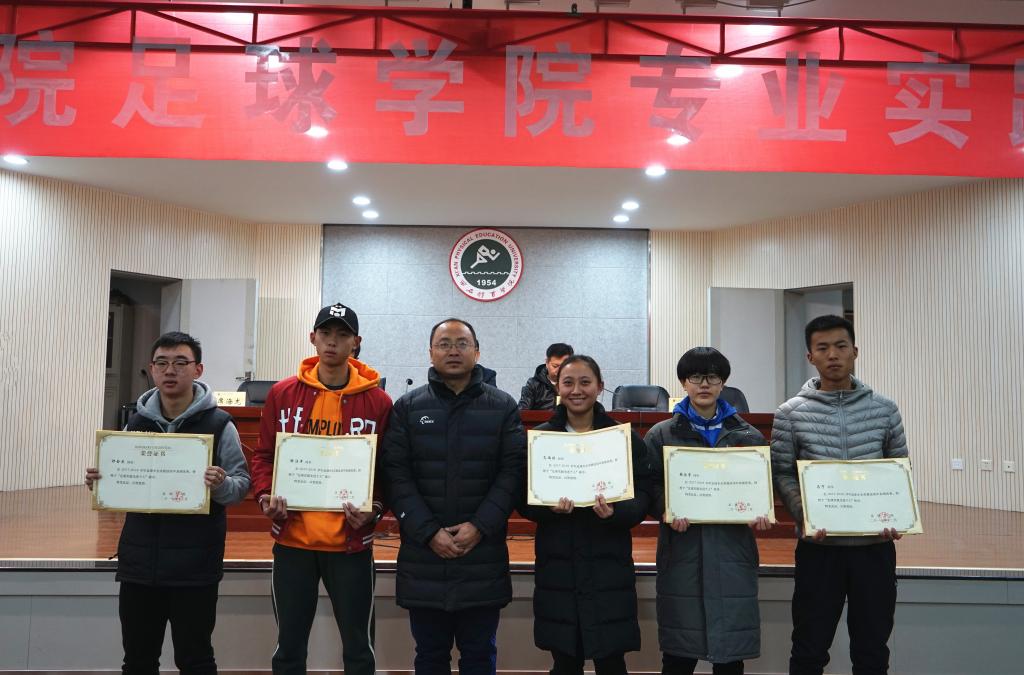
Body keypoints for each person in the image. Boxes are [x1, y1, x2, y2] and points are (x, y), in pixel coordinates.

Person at [85, 331, 251, 675]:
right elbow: (122, 484)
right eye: (161, 363)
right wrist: (103, 483)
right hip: (139, 565)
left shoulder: (220, 425)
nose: (170, 370)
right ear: (152, 369)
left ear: (198, 369)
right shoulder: (135, 423)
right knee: (138, 660)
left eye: (180, 363)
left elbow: (240, 487)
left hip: (195, 567)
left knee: (196, 660)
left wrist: (220, 485)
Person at [250, 303, 393, 675]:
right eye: (326, 333)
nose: (333, 342)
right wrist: (265, 496)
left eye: (342, 335)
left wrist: (375, 509)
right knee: (288, 649)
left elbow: (387, 469)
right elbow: (264, 455)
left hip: (350, 544)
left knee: (359, 650)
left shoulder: (378, 402)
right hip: (293, 541)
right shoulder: (283, 393)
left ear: (356, 342)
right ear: (312, 337)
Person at [382, 318, 526, 675]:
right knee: (429, 656)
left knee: (479, 655)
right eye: (444, 344)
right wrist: (429, 532)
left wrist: (480, 526)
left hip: (482, 556)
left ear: (477, 351)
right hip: (424, 556)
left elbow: (513, 473)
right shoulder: (407, 407)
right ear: (430, 352)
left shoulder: (503, 406)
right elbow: (396, 476)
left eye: (462, 343)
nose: (453, 351)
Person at [772, 315, 908, 675]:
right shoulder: (790, 414)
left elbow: (899, 469)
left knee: (872, 650)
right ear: (810, 357)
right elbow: (782, 472)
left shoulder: (885, 409)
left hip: (874, 549)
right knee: (809, 649)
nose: (833, 354)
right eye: (823, 348)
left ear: (855, 351)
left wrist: (895, 516)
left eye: (840, 346)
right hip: (819, 548)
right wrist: (805, 514)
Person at [519, 355, 653, 675]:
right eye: (568, 382)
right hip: (558, 564)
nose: (576, 390)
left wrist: (615, 512)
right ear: (557, 387)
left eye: (585, 382)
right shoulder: (542, 440)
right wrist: (547, 507)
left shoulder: (622, 439)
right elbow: (522, 498)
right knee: (565, 661)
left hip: (608, 564)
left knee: (612, 662)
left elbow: (644, 495)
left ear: (600, 386)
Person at [645, 347, 770, 675]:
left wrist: (760, 508)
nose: (704, 384)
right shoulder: (661, 434)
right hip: (682, 551)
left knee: (730, 656)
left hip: (732, 552)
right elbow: (649, 485)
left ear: (723, 382)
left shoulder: (749, 436)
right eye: (695, 377)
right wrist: (667, 508)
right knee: (678, 655)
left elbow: (761, 487)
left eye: (712, 377)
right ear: (683, 383)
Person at [519, 343, 574, 410]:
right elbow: (522, 411)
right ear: (547, 363)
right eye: (555, 366)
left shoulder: (576, 384)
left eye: (564, 366)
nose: (559, 370)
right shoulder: (534, 384)